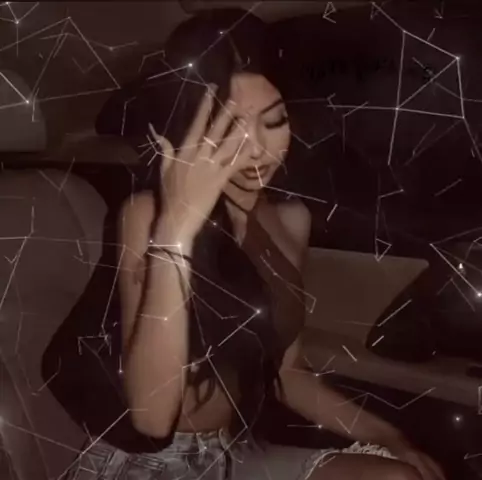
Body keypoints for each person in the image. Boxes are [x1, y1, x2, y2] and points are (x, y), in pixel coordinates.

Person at [42, 8, 446, 480]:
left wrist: (390, 437)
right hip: (142, 464)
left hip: (229, 454)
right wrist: (178, 228)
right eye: (229, 127)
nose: (256, 149)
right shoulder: (147, 215)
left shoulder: (289, 221)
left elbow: (288, 375)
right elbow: (151, 418)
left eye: (273, 122)